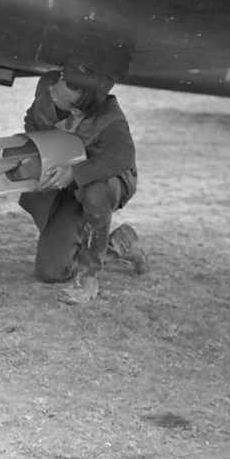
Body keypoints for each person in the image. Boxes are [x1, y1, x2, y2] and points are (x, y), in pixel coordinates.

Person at [18, 62, 146, 304]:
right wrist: (46, 160)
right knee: (51, 272)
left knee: (96, 191)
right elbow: (31, 121)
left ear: (80, 102)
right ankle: (115, 244)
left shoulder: (110, 120)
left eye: (63, 84)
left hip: (105, 180)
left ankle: (89, 275)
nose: (53, 86)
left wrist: (74, 173)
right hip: (67, 186)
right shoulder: (49, 94)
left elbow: (122, 157)